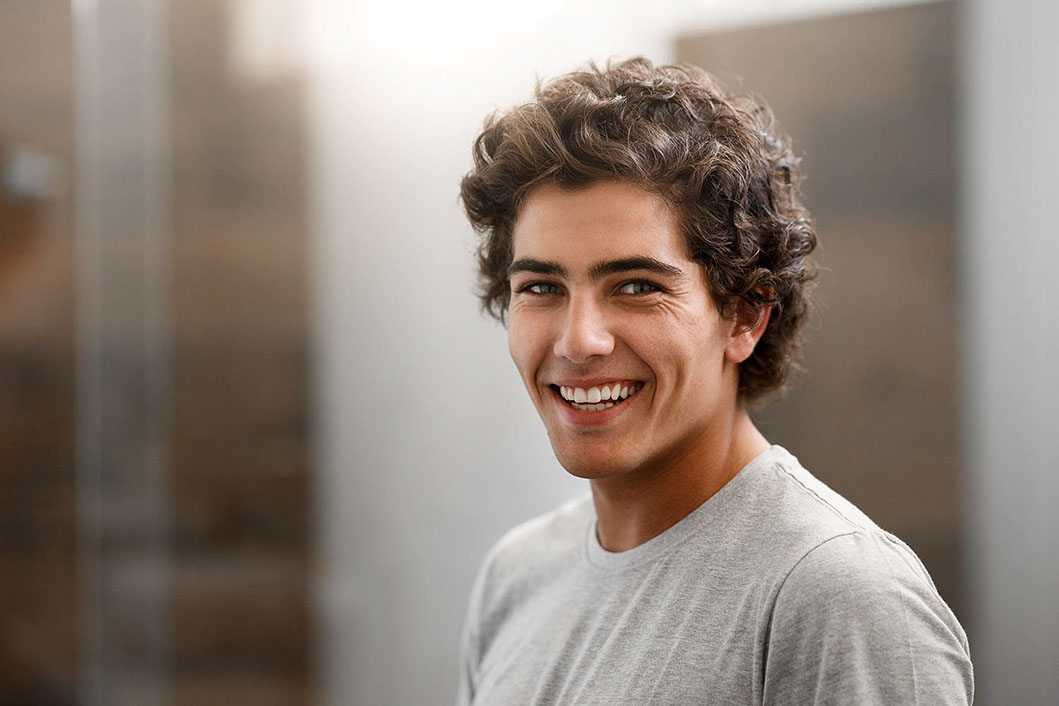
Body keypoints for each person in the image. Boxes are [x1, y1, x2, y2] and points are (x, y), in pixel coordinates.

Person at [455, 57, 973, 705]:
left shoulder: (838, 595)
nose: (577, 340)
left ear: (744, 315)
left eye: (636, 286)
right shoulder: (517, 574)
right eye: (540, 287)